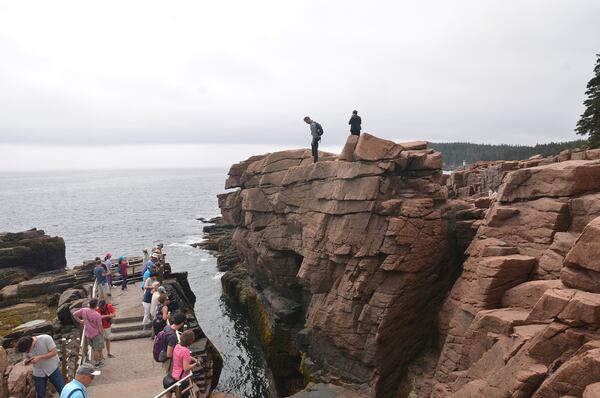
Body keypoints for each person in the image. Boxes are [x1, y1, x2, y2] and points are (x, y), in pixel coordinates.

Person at [164, 330, 198, 398]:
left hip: (173, 374)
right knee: (182, 394)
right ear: (190, 341)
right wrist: (195, 364)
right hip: (181, 378)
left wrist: (194, 359)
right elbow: (186, 368)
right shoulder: (186, 351)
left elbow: (183, 357)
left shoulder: (177, 345)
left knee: (170, 390)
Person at [72, 299, 105, 368]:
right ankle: (97, 363)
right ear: (96, 305)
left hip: (88, 333)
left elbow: (74, 314)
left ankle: (100, 358)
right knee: (96, 348)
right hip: (96, 334)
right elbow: (100, 326)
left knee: (94, 348)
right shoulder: (97, 315)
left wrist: (80, 321)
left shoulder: (84, 310)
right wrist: (102, 334)